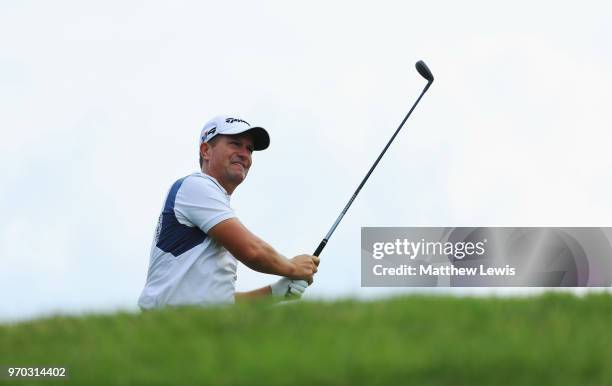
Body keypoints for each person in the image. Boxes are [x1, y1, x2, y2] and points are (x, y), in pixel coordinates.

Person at [138, 115, 319, 309]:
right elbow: (252, 250)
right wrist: (292, 267)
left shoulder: (211, 206)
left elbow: (218, 304)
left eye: (249, 149)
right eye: (235, 144)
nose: (245, 154)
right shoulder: (195, 186)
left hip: (189, 329)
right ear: (206, 150)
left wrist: (276, 292)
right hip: (170, 330)